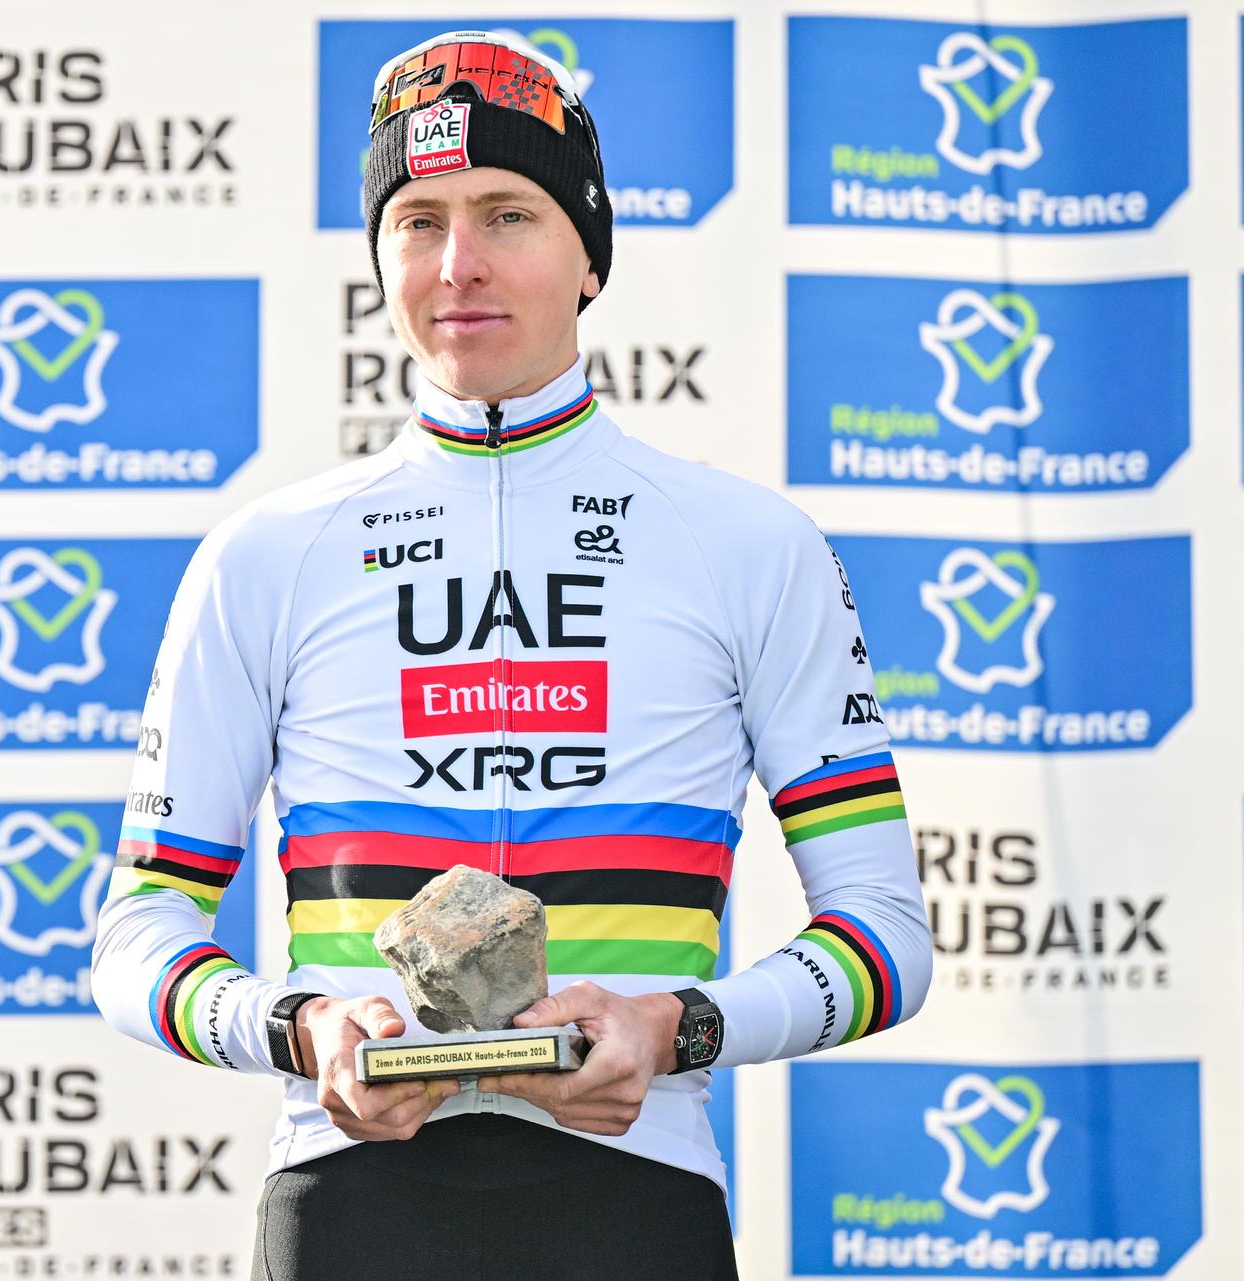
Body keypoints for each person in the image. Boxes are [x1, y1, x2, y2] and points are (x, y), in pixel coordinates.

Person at [91, 30, 929, 1280]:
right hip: (348, 1201)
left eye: (507, 213)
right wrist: (302, 1027)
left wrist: (677, 1027)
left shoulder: (748, 543)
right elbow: (140, 930)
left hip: (636, 1194)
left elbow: (885, 936)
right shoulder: (264, 555)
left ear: (589, 252)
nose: (458, 264)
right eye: (416, 220)